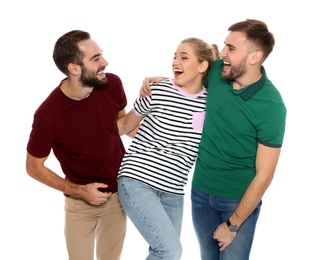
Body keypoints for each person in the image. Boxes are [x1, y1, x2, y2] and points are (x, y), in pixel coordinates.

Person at [141, 19, 287, 260]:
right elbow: (189, 81)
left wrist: (233, 225)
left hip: (237, 201)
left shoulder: (271, 106)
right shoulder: (219, 71)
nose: (222, 54)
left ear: (254, 57)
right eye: (224, 46)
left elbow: (265, 175)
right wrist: (158, 81)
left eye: (231, 48)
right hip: (200, 193)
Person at [26, 30, 128, 260]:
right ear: (74, 68)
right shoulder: (48, 115)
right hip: (80, 203)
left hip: (118, 195)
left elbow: (119, 125)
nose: (105, 62)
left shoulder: (111, 84)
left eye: (101, 55)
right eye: (95, 59)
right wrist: (80, 191)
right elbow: (33, 166)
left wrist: (149, 99)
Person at [117, 38, 219, 259]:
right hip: (137, 180)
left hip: (173, 191)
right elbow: (125, 126)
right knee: (170, 251)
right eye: (174, 56)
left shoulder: (211, 103)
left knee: (165, 253)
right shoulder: (157, 90)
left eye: (184, 57)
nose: (175, 62)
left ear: (202, 66)